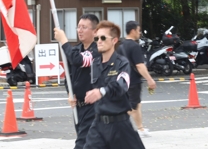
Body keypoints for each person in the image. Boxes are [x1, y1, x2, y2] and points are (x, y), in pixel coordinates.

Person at [82, 20, 145, 149]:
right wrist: (73, 95)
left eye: (103, 38)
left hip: (120, 126)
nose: (99, 41)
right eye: (97, 38)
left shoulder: (122, 63)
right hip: (98, 125)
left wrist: (102, 91)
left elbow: (122, 84)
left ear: (114, 40)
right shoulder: (95, 64)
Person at [54, 14, 99, 149]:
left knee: (81, 144)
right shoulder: (76, 50)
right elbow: (68, 76)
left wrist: (63, 41)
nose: (80, 30)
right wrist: (70, 93)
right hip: (78, 107)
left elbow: (79, 60)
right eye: (78, 27)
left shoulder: (97, 51)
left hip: (93, 106)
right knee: (91, 142)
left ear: (95, 31)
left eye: (84, 27)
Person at [117, 21, 156, 137]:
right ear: (133, 31)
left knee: (136, 104)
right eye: (138, 30)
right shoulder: (134, 46)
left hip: (123, 80)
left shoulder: (121, 46)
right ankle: (121, 127)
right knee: (132, 106)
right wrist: (149, 79)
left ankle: (140, 128)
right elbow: (139, 65)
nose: (139, 33)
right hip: (133, 80)